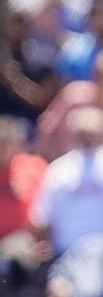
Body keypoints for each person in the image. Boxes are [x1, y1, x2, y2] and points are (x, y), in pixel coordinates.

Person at [31, 107, 103, 255]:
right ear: (72, 134)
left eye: (92, 133)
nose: (87, 139)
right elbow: (44, 217)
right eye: (82, 134)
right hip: (65, 255)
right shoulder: (58, 169)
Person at [35, 52, 103, 161]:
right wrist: (47, 159)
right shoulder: (74, 96)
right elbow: (47, 126)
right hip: (59, 162)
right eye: (101, 76)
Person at [0, 117, 48, 274]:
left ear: (18, 143)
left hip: (21, 240)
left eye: (7, 142)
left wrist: (42, 236)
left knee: (18, 256)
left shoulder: (34, 167)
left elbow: (49, 206)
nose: (3, 148)